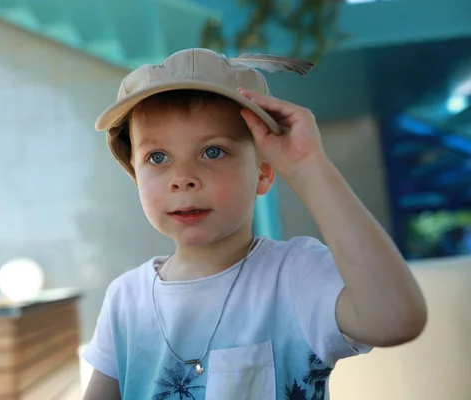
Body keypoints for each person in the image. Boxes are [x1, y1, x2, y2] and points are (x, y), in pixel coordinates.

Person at [82, 48, 427, 400]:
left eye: (213, 151)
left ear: (262, 172)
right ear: (136, 175)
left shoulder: (295, 276)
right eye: (157, 157)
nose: (183, 178)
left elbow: (396, 319)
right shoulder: (125, 300)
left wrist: (308, 165)